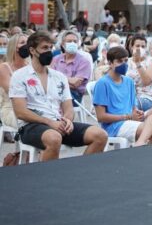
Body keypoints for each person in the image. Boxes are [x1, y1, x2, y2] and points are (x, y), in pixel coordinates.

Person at [10, 31, 107, 161]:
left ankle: (80, 174)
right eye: (44, 48)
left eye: (51, 48)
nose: (49, 51)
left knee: (100, 135)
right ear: (32, 50)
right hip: (30, 126)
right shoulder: (20, 76)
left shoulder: (59, 77)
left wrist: (67, 120)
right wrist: (49, 122)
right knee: (54, 138)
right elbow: (20, 112)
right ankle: (48, 178)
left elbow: (68, 108)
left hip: (57, 123)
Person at [93, 46, 152, 147]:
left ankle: (139, 155)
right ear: (110, 63)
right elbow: (101, 117)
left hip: (130, 121)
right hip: (114, 126)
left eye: (126, 60)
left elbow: (133, 107)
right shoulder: (102, 83)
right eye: (119, 61)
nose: (124, 64)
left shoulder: (129, 81)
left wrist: (136, 112)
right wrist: (128, 116)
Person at [50, 30, 90, 105]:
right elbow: (50, 78)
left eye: (75, 41)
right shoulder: (56, 59)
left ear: (78, 44)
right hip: (55, 91)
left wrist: (57, 78)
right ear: (62, 44)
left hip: (74, 95)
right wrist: (69, 80)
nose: (72, 43)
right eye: (69, 41)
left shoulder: (84, 62)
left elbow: (76, 84)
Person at [0, 34, 27, 132]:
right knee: (34, 123)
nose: (27, 46)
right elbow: (12, 93)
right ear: (14, 47)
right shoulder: (4, 68)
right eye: (22, 43)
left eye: (28, 43)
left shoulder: (31, 66)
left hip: (32, 107)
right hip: (11, 109)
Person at [125, 35, 152, 112]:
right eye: (137, 46)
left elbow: (147, 81)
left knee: (131, 105)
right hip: (129, 96)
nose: (140, 48)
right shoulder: (127, 61)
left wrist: (138, 63)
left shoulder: (151, 61)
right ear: (131, 47)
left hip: (146, 97)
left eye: (143, 46)